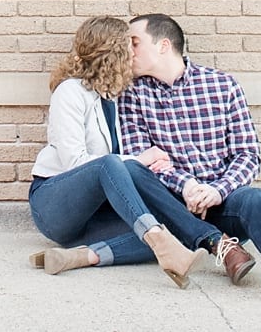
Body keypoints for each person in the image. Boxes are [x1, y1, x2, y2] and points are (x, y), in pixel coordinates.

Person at [117, 12, 261, 301]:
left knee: (254, 197)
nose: (126, 52)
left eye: (134, 43)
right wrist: (187, 186)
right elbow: (141, 158)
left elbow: (248, 154)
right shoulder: (132, 95)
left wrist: (216, 191)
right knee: (131, 170)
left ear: (163, 46)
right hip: (171, 207)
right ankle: (220, 244)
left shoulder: (222, 86)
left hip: (222, 200)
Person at [25, 15, 216, 287]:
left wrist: (148, 167)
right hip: (53, 204)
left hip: (95, 215)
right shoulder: (70, 92)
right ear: (114, 53)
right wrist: (139, 159)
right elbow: (75, 162)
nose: (133, 53)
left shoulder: (112, 97)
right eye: (130, 46)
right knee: (111, 164)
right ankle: (171, 247)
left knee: (165, 223)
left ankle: (80, 257)